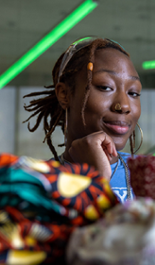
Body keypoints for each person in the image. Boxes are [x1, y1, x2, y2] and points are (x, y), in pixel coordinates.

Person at [23, 37, 143, 203]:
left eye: (133, 93)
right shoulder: (37, 185)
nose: (123, 105)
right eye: (105, 87)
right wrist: (97, 178)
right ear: (64, 95)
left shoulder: (153, 176)